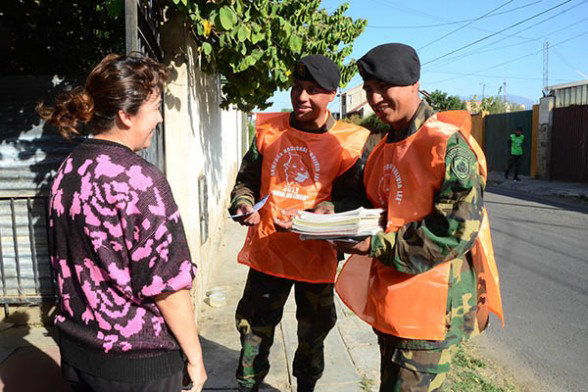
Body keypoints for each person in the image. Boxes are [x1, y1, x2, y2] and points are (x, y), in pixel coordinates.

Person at [333, 43, 504, 392]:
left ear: (413, 84)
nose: (375, 98)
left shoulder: (446, 146)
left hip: (429, 310)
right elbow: (370, 200)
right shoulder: (384, 146)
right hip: (393, 300)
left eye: (384, 87)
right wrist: (334, 216)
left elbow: (454, 231)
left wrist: (375, 243)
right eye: (369, 90)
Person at [38, 53, 207, 392]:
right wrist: (196, 357)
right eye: (155, 108)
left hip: (79, 351)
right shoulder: (139, 180)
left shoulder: (68, 170)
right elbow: (169, 288)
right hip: (138, 365)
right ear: (126, 115)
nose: (159, 119)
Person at [229, 55, 370, 392]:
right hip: (268, 255)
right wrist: (244, 204)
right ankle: (247, 385)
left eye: (312, 90)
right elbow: (246, 181)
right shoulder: (269, 130)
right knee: (253, 333)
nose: (301, 97)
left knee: (313, 334)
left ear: (332, 95)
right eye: (297, 87)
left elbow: (357, 197)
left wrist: (327, 207)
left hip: (316, 260)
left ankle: (306, 386)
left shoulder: (350, 142)